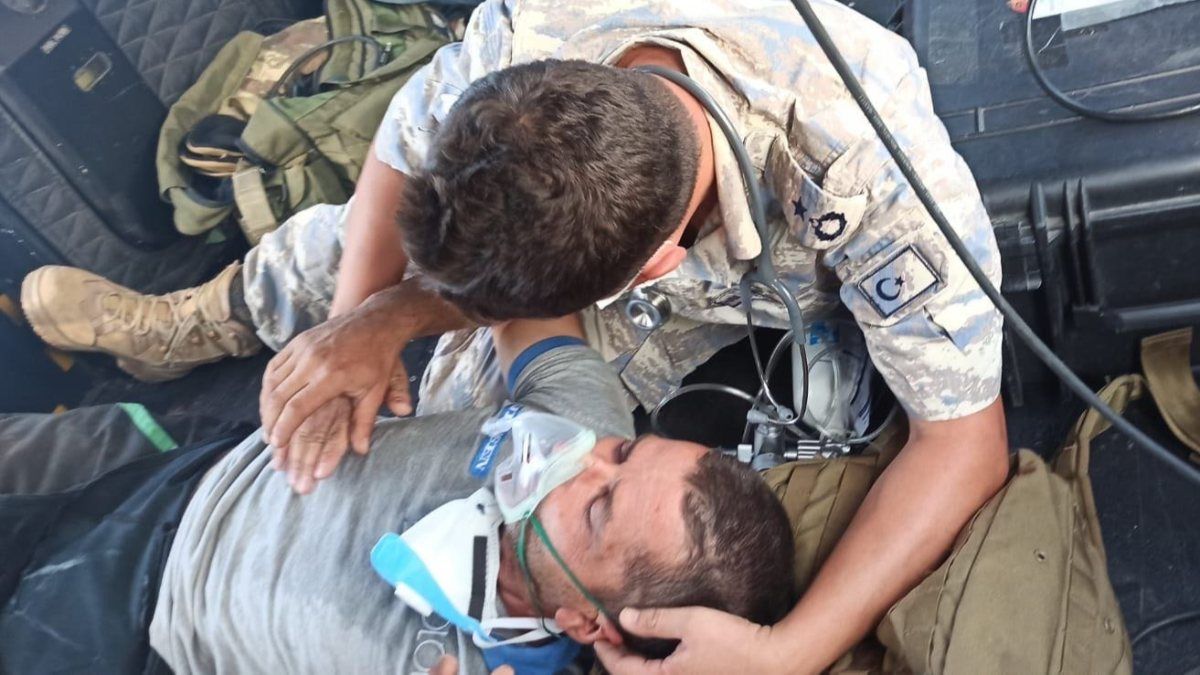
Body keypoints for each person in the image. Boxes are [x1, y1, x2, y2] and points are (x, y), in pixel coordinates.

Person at [19, 0, 1011, 670]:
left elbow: (964, 441)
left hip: (735, 286)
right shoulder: (534, 33)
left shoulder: (872, 171)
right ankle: (192, 323)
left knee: (489, 466)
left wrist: (791, 652)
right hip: (595, 234)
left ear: (649, 267)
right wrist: (357, 332)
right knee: (359, 253)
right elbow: (400, 161)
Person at [0, 316, 794, 674]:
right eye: (624, 453)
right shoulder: (580, 420)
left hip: (118, 623)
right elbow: (528, 295)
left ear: (586, 621)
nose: (579, 461)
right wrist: (381, 320)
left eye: (596, 508)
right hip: (197, 465)